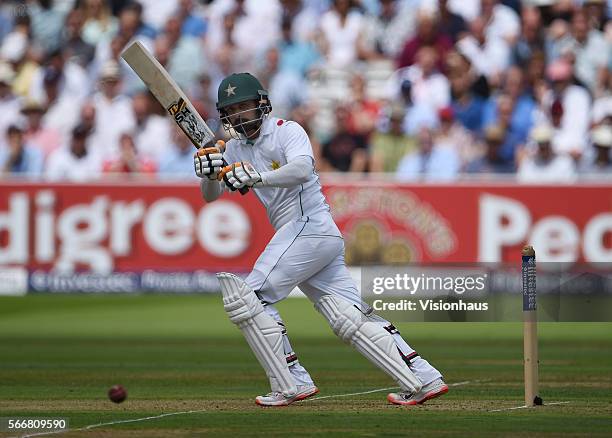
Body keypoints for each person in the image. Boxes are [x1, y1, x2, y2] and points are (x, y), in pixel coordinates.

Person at [194, 72, 447, 407]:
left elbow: (302, 169)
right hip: (310, 237)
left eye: (244, 106)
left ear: (261, 103)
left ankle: (292, 380)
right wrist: (210, 172)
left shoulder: (287, 130)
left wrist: (259, 177)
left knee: (248, 297)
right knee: (350, 315)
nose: (239, 114)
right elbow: (212, 195)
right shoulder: (235, 148)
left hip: (308, 224)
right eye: (232, 109)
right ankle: (424, 376)